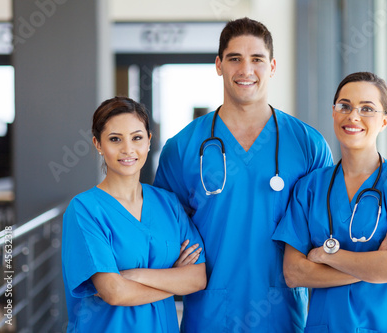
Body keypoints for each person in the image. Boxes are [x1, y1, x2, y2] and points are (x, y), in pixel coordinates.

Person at [154, 18, 332, 332]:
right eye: (235, 58)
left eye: (257, 60)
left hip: (283, 314)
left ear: (273, 66)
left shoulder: (307, 145)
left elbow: (327, 227)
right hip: (209, 314)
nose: (245, 70)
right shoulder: (182, 147)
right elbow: (162, 231)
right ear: (219, 64)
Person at [272, 72, 387, 333]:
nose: (353, 116)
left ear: (385, 120)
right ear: (333, 113)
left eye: (367, 109)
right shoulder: (310, 188)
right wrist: (375, 265)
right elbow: (295, 273)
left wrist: (327, 254)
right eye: (345, 106)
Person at [62, 97, 206, 332]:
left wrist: (134, 275)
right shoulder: (84, 210)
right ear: (98, 144)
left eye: (137, 137)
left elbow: (197, 278)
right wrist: (174, 280)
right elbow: (114, 292)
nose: (127, 149)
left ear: (149, 141)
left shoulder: (168, 203)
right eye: (115, 139)